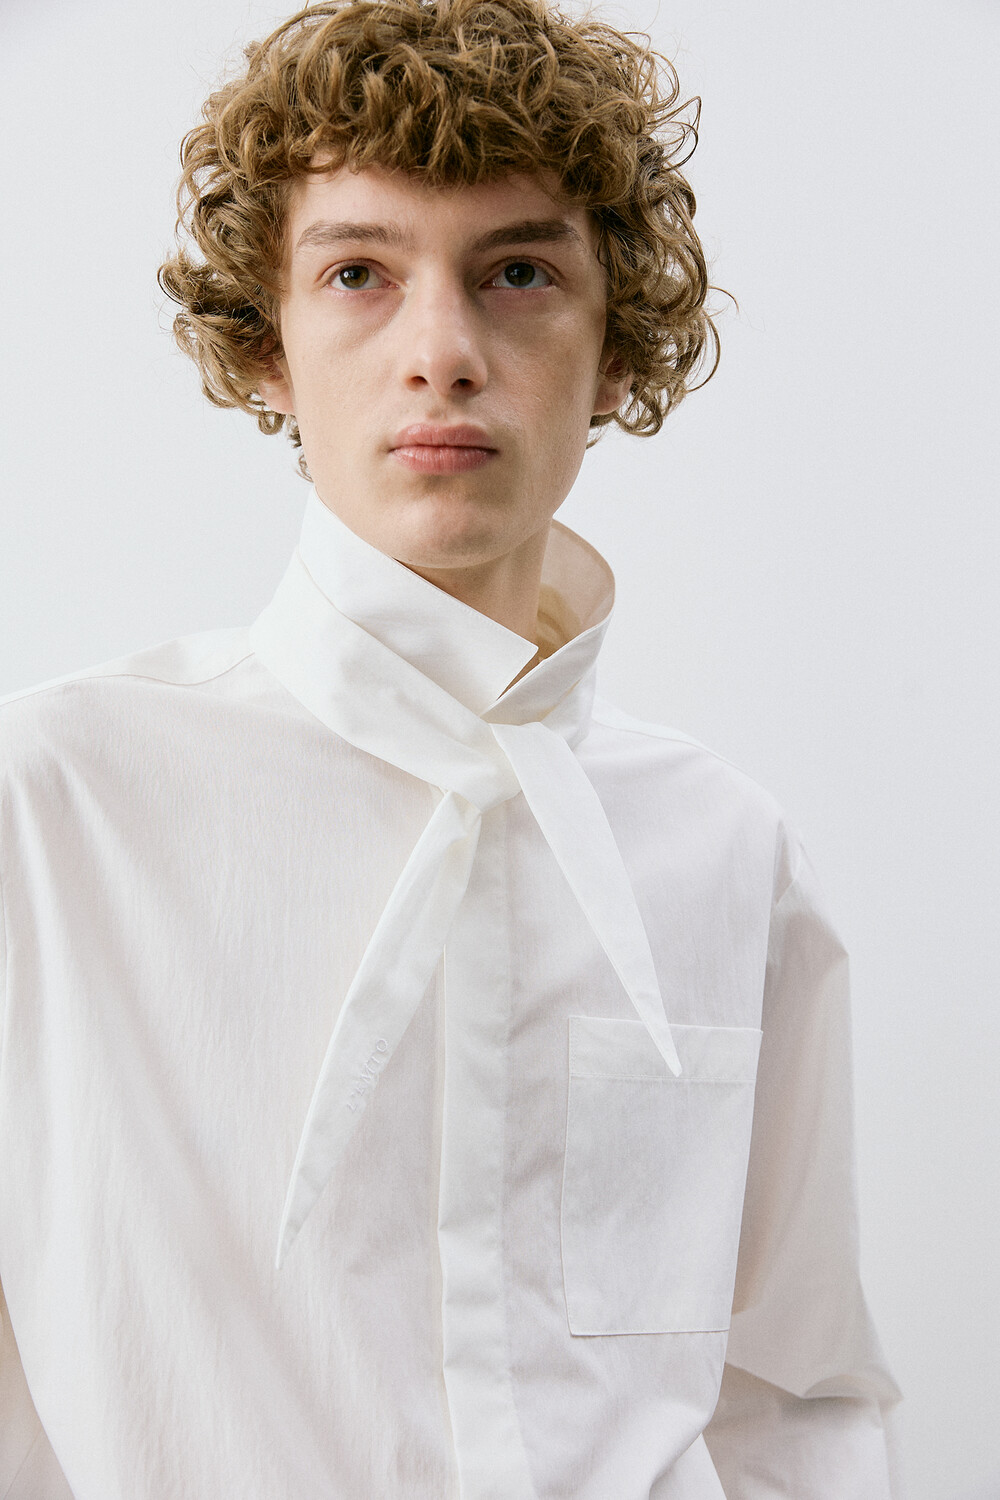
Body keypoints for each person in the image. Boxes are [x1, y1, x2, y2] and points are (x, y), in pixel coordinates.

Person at [0, 0, 901, 1495]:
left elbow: (795, 1389)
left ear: (615, 355)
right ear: (267, 347)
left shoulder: (728, 849)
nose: (443, 354)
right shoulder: (50, 805)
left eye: (520, 273)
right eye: (358, 273)